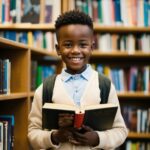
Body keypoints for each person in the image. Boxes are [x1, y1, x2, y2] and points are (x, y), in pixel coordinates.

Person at [28, 10, 128, 150]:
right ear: (58, 49)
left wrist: (98, 138)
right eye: (68, 45)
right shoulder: (46, 88)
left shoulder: (104, 86)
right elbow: (33, 133)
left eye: (83, 45)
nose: (75, 50)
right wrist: (54, 136)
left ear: (92, 47)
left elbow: (121, 131)